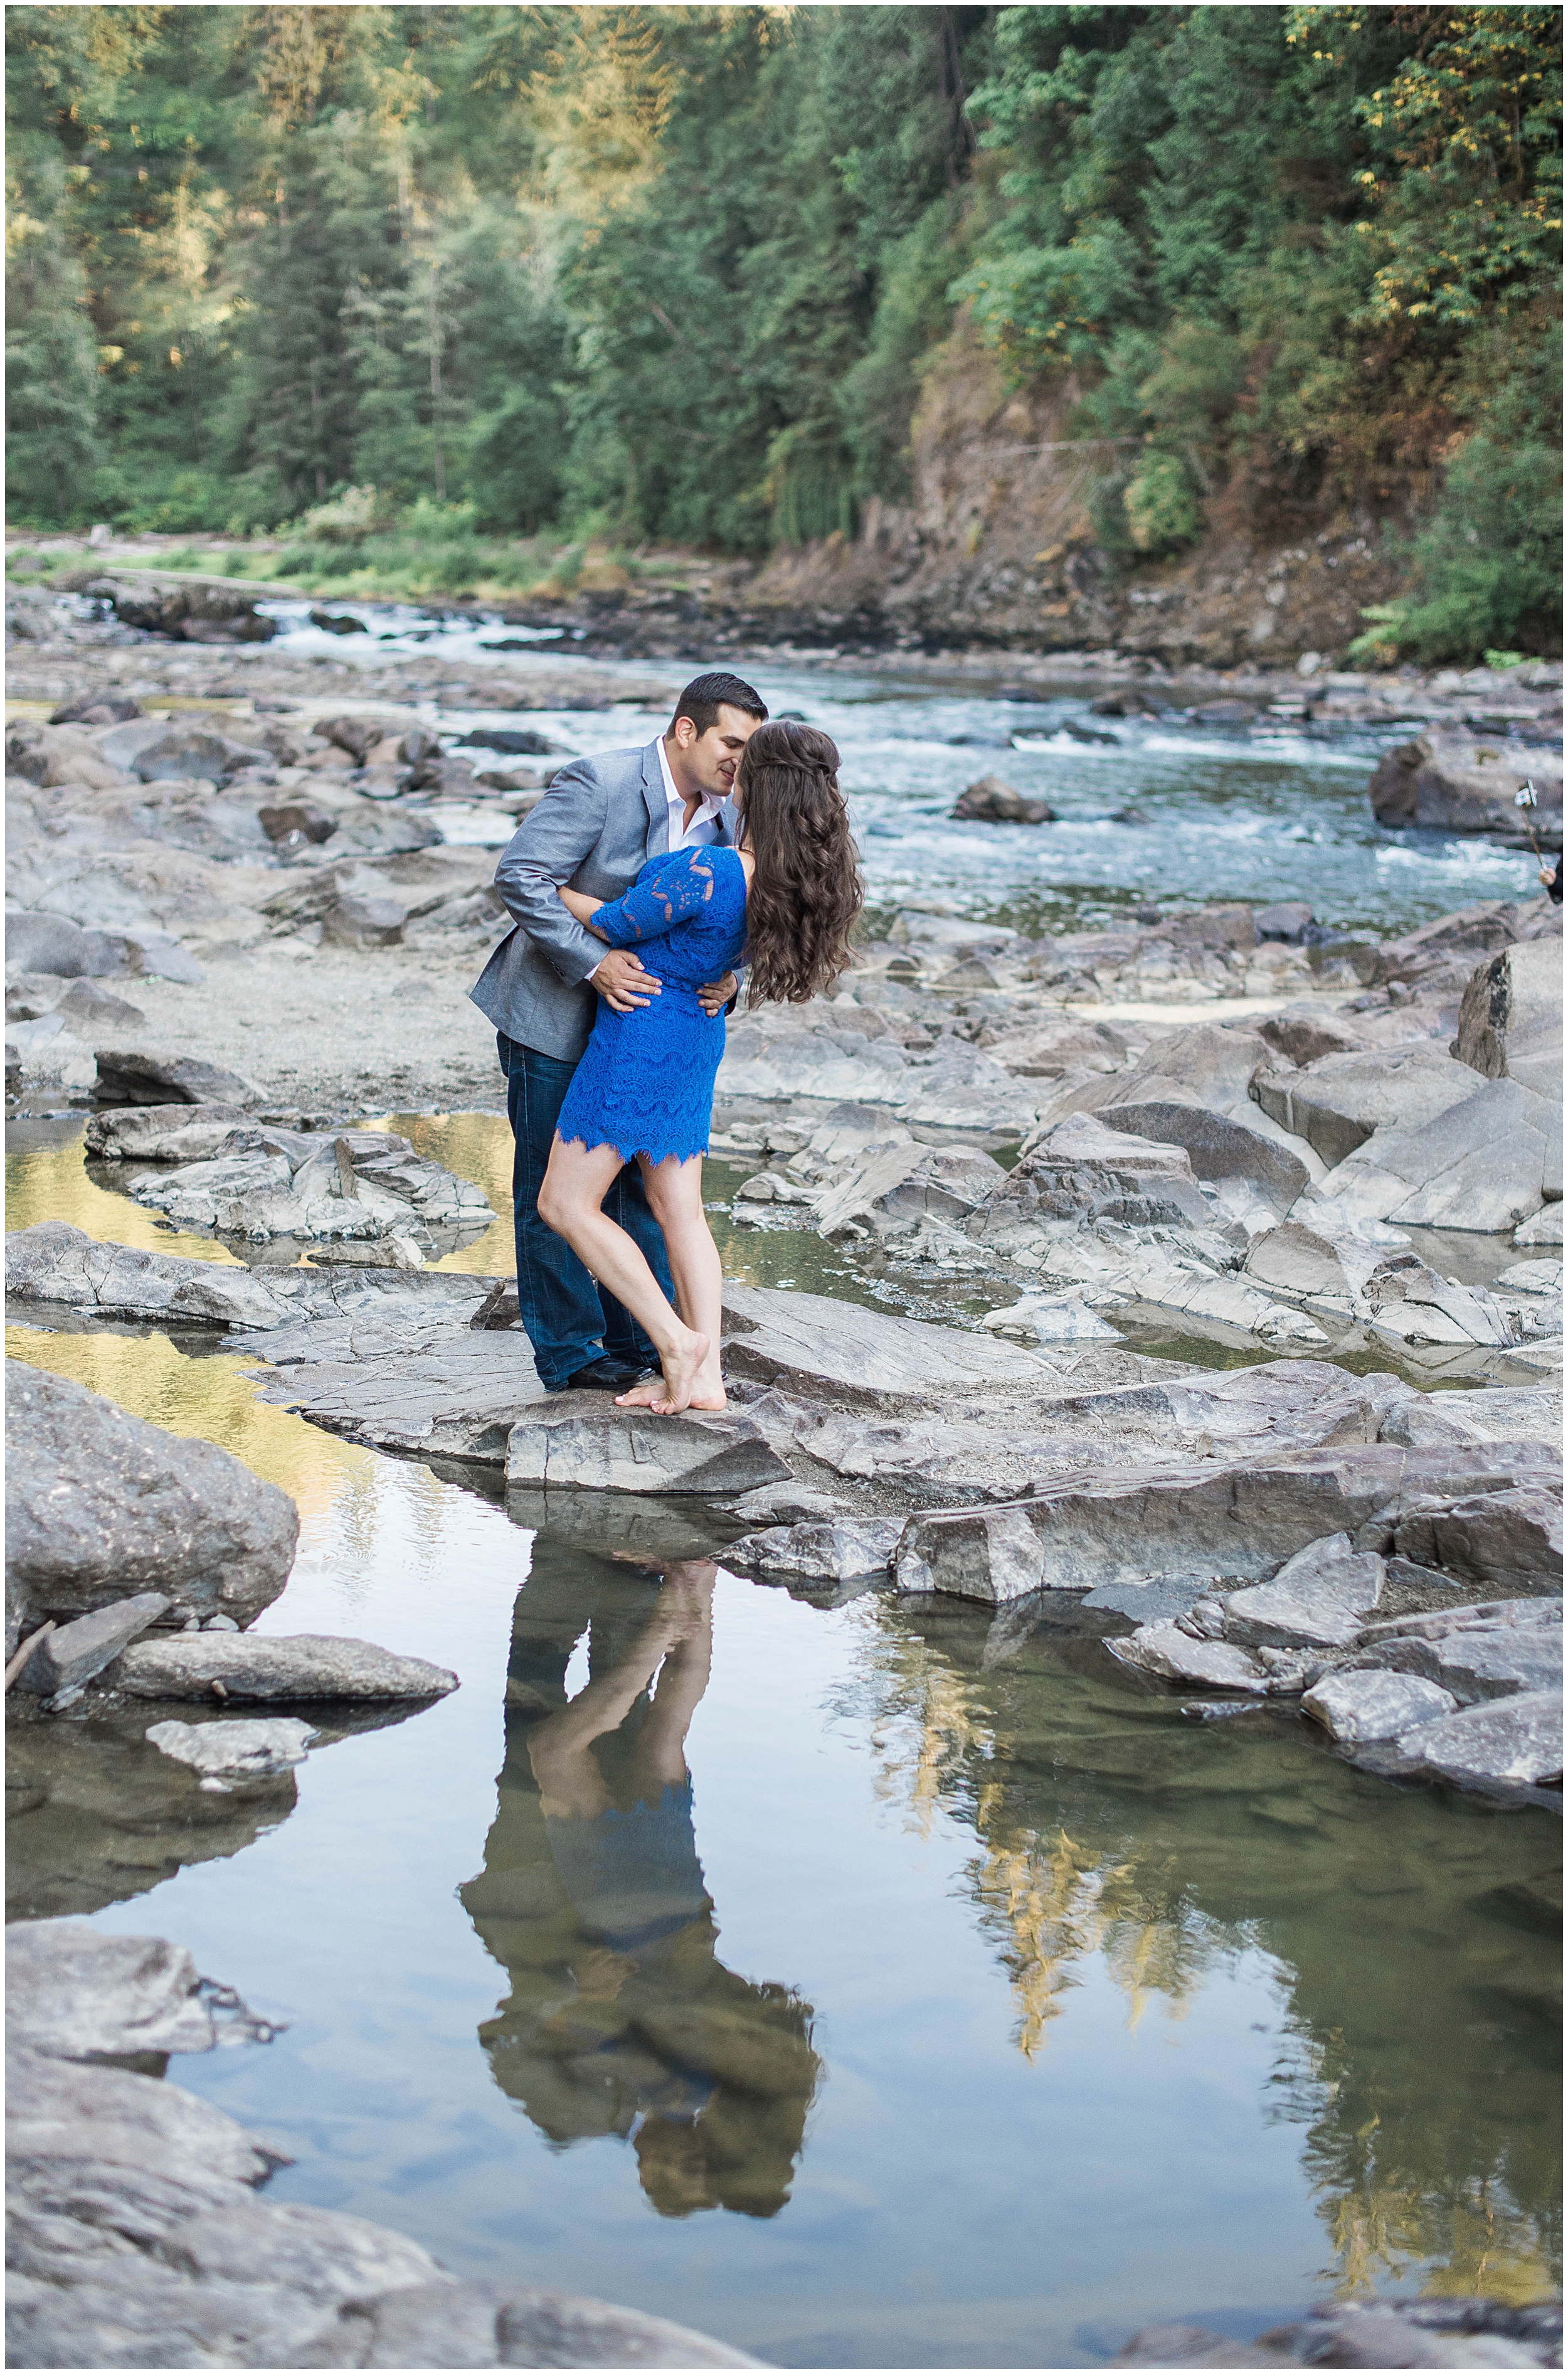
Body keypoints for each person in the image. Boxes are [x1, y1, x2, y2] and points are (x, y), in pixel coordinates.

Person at [536, 721, 861, 1415]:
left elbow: (618, 923)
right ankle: (706, 1375)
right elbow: (724, 953)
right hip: (695, 1036)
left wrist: (549, 886)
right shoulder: (789, 879)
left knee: (563, 1203)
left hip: (640, 1035)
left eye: (744, 762)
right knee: (680, 1210)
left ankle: (676, 1343)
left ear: (759, 785)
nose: (731, 768)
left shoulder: (709, 870)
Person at [470, 673, 768, 1395]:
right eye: (731, 742)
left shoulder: (734, 817)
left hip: (652, 1036)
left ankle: (645, 1340)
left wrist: (732, 980)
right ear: (687, 729)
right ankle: (573, 1354)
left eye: (750, 749)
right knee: (553, 1187)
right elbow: (522, 875)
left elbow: (744, 910)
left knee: (640, 1189)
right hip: (555, 1013)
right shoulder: (600, 782)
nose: (739, 761)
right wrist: (593, 961)